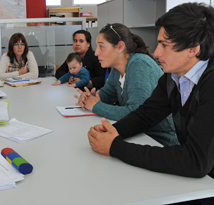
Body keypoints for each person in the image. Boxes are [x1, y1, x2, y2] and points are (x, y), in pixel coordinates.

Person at [87, 4, 214, 199]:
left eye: (164, 44)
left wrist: (115, 147)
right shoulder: (173, 77)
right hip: (196, 184)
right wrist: (113, 132)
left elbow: (195, 161)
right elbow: (146, 114)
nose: (156, 53)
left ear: (193, 49)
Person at [75, 23, 178, 146]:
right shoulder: (116, 68)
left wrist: (95, 106)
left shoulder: (139, 64)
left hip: (159, 141)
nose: (96, 52)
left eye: (101, 47)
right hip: (139, 135)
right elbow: (106, 95)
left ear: (120, 47)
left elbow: (136, 113)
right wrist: (89, 98)